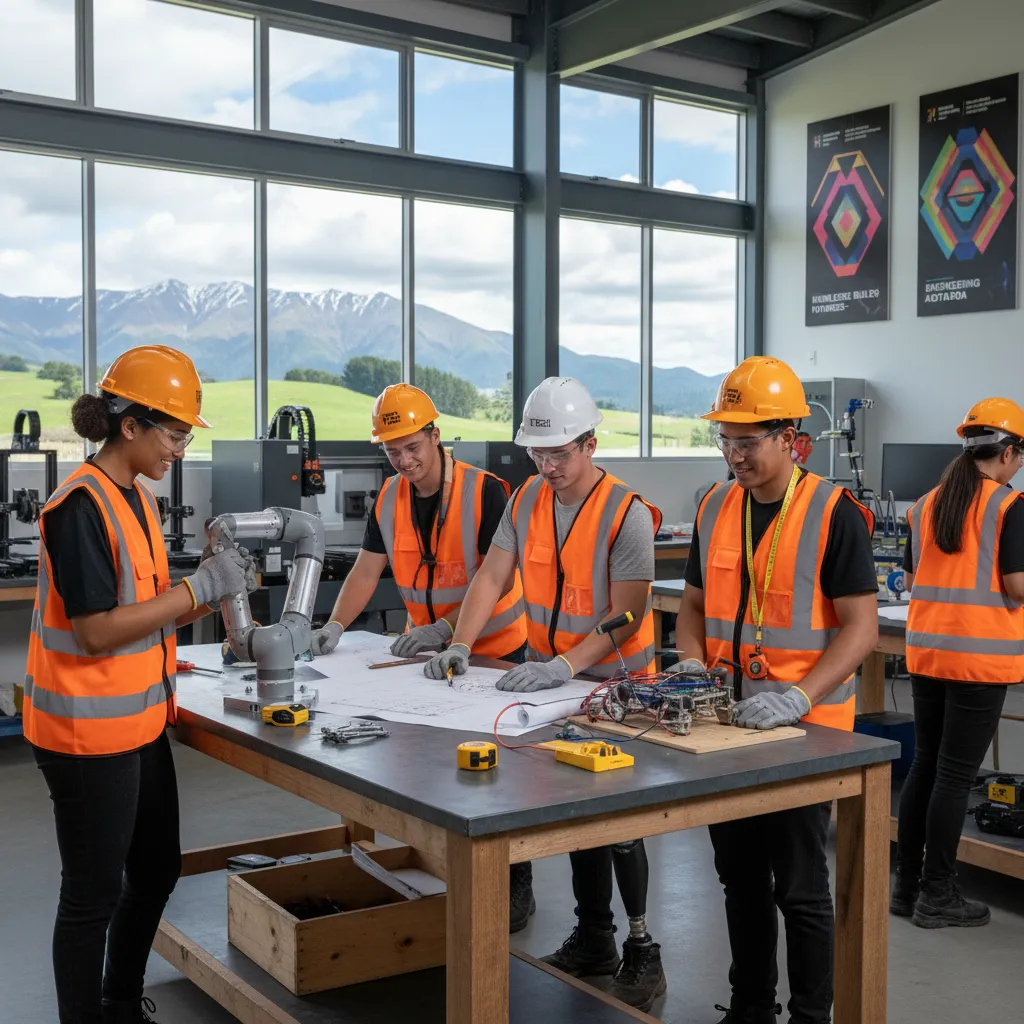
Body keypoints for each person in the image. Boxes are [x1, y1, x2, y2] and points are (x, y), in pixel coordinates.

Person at [23, 345, 256, 1024]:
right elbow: (96, 631)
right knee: (90, 896)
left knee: (156, 869)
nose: (181, 449)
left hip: (140, 723)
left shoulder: (136, 499)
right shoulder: (79, 508)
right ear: (130, 425)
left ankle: (119, 1002)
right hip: (84, 732)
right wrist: (196, 591)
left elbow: (147, 605)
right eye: (177, 433)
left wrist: (207, 595)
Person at [424, 376, 668, 1012]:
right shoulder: (528, 498)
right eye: (538, 454)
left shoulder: (627, 512)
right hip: (550, 685)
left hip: (620, 690)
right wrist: (459, 639)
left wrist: (567, 664)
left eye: (559, 454)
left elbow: (630, 613)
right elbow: (491, 575)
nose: (548, 466)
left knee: (619, 825)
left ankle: (643, 949)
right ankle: (595, 937)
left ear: (590, 444)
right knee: (570, 813)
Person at [673, 356, 878, 1024]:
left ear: (791, 438)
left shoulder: (833, 512)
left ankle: (812, 1017)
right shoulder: (714, 504)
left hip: (804, 735)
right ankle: (750, 1007)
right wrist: (691, 659)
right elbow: (694, 606)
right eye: (725, 439)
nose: (734, 454)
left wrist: (800, 696)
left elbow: (860, 630)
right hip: (726, 727)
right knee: (738, 880)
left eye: (748, 440)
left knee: (799, 887)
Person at [308, 383, 533, 929]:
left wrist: (449, 629)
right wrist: (335, 624)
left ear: (436, 435)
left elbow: (497, 579)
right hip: (426, 661)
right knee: (430, 769)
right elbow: (366, 569)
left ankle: (515, 887)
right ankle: (446, 874)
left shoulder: (487, 493)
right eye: (392, 451)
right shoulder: (387, 500)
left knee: (500, 780)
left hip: (495, 656)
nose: (404, 460)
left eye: (413, 446)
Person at [893, 398, 1024, 929]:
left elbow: (910, 571)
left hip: (928, 653)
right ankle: (938, 894)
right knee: (954, 776)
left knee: (927, 766)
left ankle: (907, 886)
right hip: (979, 657)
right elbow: (1016, 586)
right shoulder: (1009, 506)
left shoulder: (927, 503)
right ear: (1009, 451)